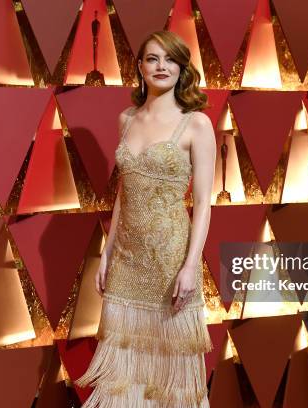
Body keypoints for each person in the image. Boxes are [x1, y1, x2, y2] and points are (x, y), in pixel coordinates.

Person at [75, 30, 216, 407]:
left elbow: (203, 203)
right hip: (126, 258)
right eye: (152, 59)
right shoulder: (126, 119)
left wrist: (191, 266)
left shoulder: (197, 124)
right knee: (125, 369)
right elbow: (124, 190)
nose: (161, 67)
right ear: (139, 67)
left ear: (182, 68)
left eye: (170, 59)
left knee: (172, 370)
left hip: (170, 260)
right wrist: (106, 252)